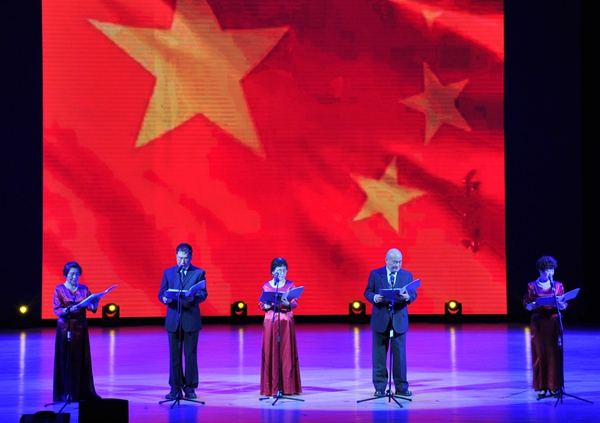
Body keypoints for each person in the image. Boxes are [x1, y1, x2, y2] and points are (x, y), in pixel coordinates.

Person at [364, 248, 417, 397]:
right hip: (380, 319)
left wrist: (407, 297)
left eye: (400, 262)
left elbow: (413, 294)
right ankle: (380, 388)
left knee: (400, 356)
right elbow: (368, 292)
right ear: (387, 260)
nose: (397, 265)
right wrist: (375, 298)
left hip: (399, 319)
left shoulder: (407, 275)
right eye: (394, 262)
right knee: (379, 356)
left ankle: (401, 387)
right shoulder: (376, 274)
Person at [158, 243, 208, 400]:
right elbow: (161, 293)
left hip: (191, 319)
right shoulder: (169, 273)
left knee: (190, 355)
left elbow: (203, 294)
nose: (182, 261)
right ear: (176, 256)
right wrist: (164, 298)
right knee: (174, 355)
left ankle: (190, 388)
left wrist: (193, 298)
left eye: (185, 258)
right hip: (174, 319)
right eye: (179, 258)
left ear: (191, 257)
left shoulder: (198, 273)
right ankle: (175, 387)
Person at [52, 261, 101, 402]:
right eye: (72, 274)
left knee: (81, 359)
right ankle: (65, 392)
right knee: (65, 359)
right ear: (65, 274)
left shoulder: (84, 289)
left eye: (77, 274)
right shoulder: (59, 289)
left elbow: (91, 307)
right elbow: (57, 309)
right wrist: (68, 310)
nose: (75, 277)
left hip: (80, 327)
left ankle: (82, 391)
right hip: (65, 327)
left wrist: (96, 303)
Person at [523, 255, 568, 399]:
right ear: (541, 271)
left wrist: (562, 305)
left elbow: (564, 303)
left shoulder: (558, 286)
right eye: (547, 270)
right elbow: (526, 304)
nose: (550, 273)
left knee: (554, 353)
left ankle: (554, 386)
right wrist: (531, 305)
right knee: (540, 353)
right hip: (538, 322)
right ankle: (542, 387)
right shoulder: (532, 286)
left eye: (552, 270)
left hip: (553, 321)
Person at [258, 257, 302, 396]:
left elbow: (294, 302)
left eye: (284, 270)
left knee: (286, 352)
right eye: (279, 271)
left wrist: (288, 303)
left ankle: (288, 387)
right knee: (271, 351)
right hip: (271, 320)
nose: (282, 273)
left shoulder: (290, 285)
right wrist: (266, 306)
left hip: (285, 320)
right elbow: (261, 304)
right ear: (272, 272)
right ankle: (271, 387)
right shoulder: (267, 286)